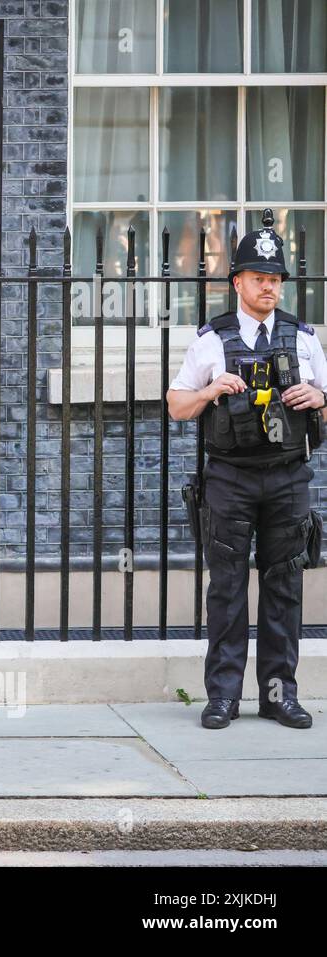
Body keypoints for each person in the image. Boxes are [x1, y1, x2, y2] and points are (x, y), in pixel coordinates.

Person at [166, 214, 325, 729]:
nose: (270, 288)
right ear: (238, 282)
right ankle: (224, 698)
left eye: (276, 280)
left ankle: (280, 696)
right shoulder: (212, 339)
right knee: (228, 588)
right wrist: (212, 391)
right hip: (230, 479)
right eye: (260, 279)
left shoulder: (303, 338)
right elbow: (175, 404)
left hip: (287, 477)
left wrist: (321, 398)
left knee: (284, 587)